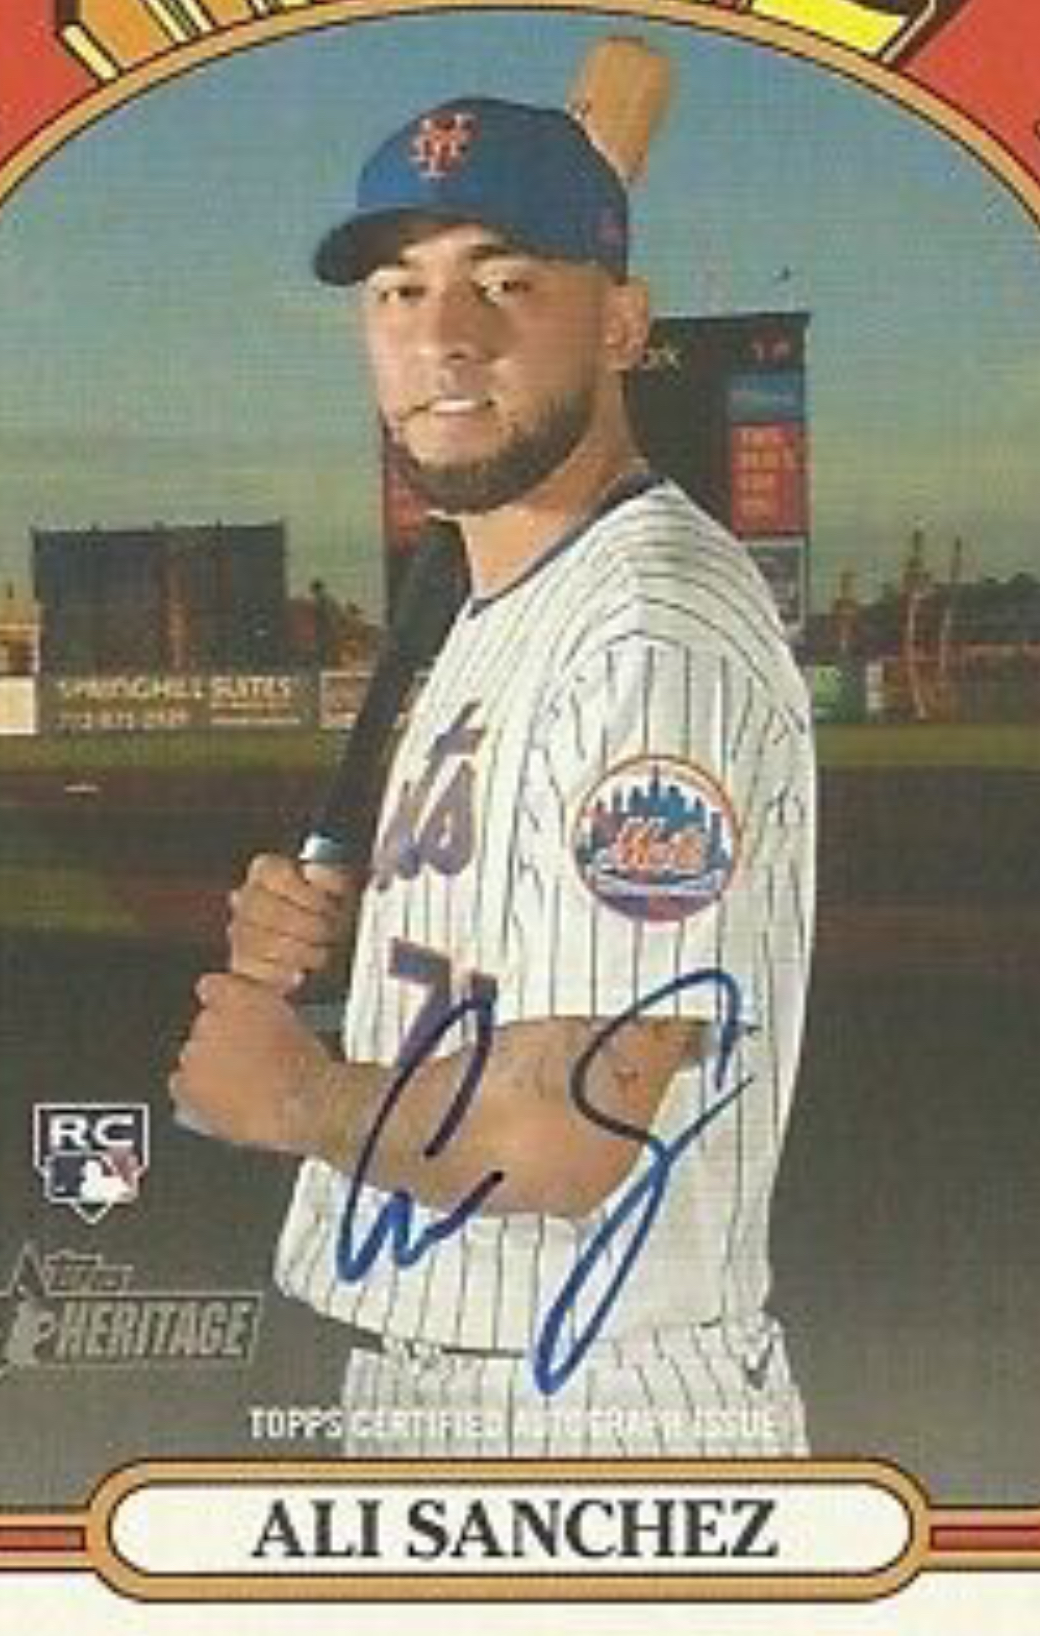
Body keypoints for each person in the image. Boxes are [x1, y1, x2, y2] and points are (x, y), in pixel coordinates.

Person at [170, 92, 816, 1459]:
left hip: (592, 1415)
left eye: (507, 282)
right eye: (400, 290)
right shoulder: (503, 600)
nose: (444, 336)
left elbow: (566, 1131)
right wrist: (360, 943)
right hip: (454, 1381)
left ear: (623, 326)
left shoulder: (645, 635)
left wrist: (293, 1093)